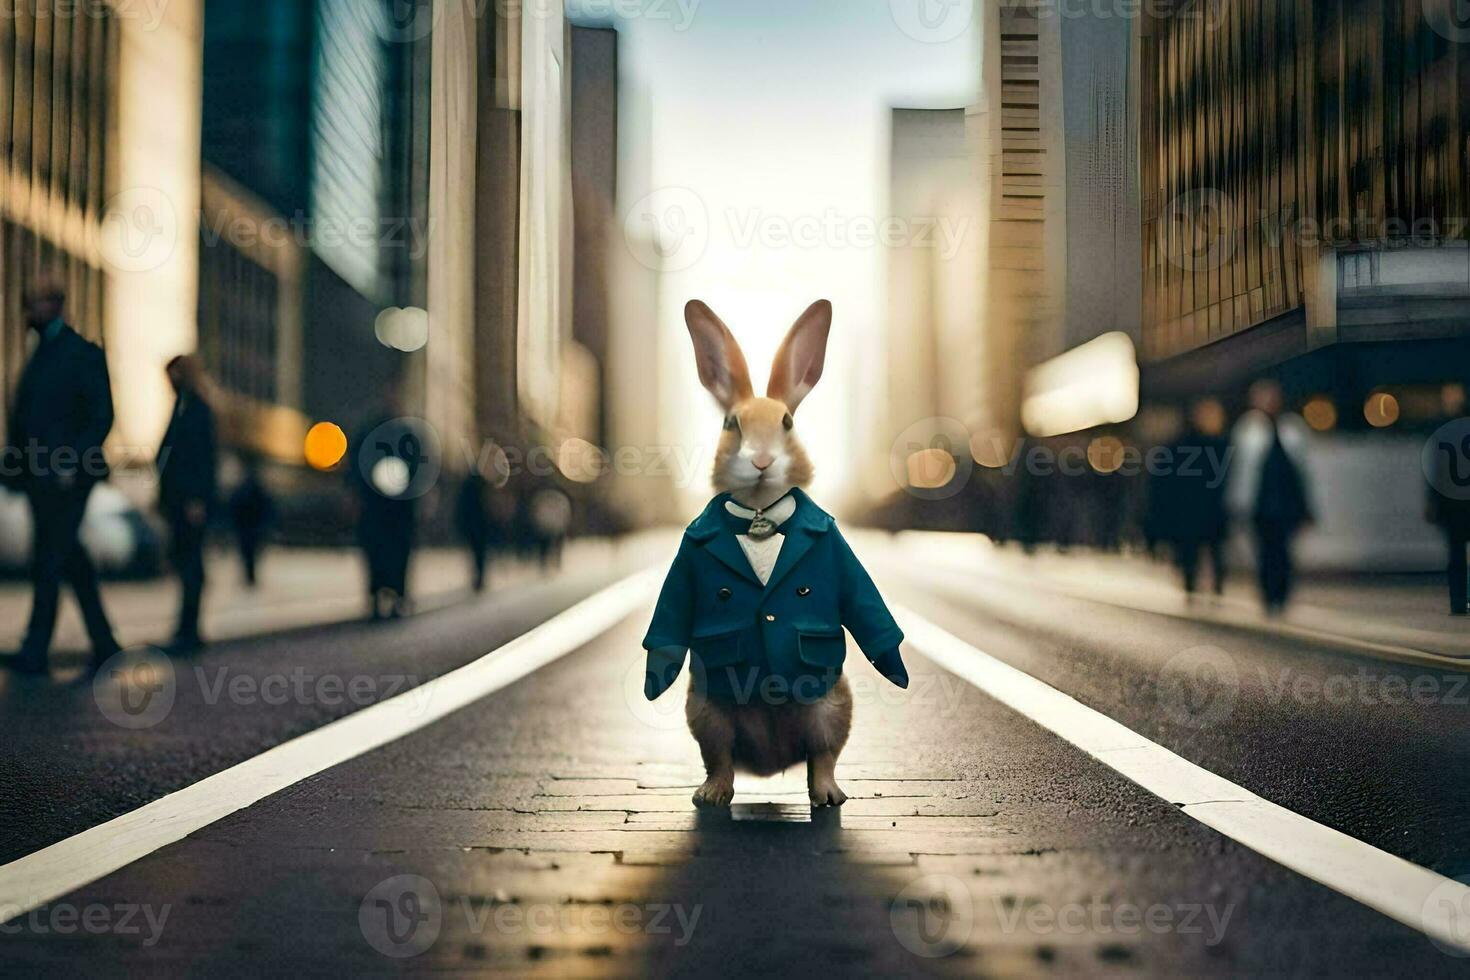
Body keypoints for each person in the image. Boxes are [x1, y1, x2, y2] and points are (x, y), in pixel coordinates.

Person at [3, 276, 120, 674]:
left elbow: (101, 415)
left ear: (54, 304)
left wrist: (71, 463)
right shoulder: (41, 354)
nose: (27, 312)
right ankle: (104, 641)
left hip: (67, 478)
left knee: (50, 557)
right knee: (66, 556)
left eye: (34, 303)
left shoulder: (80, 353)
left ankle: (36, 649)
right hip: (41, 476)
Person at [1231, 381, 1313, 615]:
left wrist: (1306, 506)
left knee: (1283, 551)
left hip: (1286, 504)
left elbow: (1304, 471)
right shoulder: (1247, 428)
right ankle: (1269, 594)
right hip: (1260, 504)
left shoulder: (1293, 428)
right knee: (1265, 551)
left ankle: (1281, 594)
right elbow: (1240, 470)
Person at [157, 355, 218, 651]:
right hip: (179, 501)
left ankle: (190, 631)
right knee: (186, 564)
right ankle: (186, 628)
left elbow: (201, 459)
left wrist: (197, 499)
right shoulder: (183, 407)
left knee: (191, 565)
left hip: (189, 502)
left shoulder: (197, 410)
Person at [349, 402, 428, 620]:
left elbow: (418, 472)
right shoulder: (374, 432)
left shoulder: (405, 434)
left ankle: (395, 596)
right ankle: (379, 597)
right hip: (378, 507)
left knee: (396, 552)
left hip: (396, 509)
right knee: (379, 552)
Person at [1148, 399, 1233, 597]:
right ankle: (1192, 584)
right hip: (1189, 509)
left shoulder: (1222, 445)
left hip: (1212, 508)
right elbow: (1164, 481)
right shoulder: (1182, 446)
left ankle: (1215, 587)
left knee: (1215, 549)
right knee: (1192, 549)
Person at [1426, 429, 1470, 616]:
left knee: (1456, 556)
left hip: (1454, 505)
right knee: (1456, 555)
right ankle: (1459, 602)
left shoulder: (1445, 435)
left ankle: (1459, 602)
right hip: (1455, 506)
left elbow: (1437, 473)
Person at [228, 454, 275, 588]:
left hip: (247, 527)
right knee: (250, 553)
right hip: (250, 527)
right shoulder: (255, 490)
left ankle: (250, 577)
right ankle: (250, 577)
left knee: (248, 553)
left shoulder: (243, 490)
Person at [455, 468, 496, 593]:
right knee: (480, 553)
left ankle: (478, 578)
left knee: (476, 552)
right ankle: (479, 577)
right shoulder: (482, 485)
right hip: (479, 525)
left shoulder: (470, 487)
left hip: (474, 524)